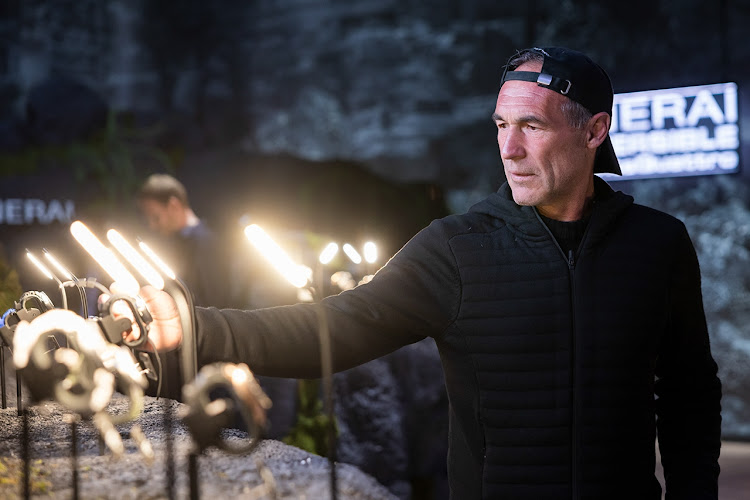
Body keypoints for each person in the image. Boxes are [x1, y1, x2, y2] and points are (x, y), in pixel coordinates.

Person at [123, 47, 722, 499]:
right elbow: (330, 329)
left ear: (594, 131)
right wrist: (194, 328)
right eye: (500, 125)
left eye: (532, 127)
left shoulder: (658, 243)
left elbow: (689, 394)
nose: (508, 149)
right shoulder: (456, 248)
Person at [136, 173, 231, 307]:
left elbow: (214, 301)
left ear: (173, 205)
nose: (152, 226)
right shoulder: (176, 242)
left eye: (156, 217)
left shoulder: (205, 242)